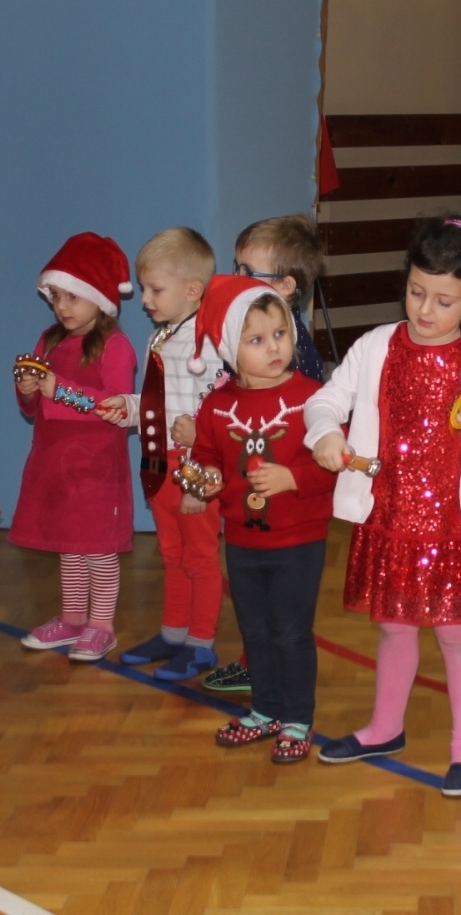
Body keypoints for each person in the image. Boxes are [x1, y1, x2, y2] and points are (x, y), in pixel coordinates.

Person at [305, 215, 461, 798]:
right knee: (394, 627)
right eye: (417, 293)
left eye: (444, 301)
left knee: (456, 633)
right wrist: (324, 431)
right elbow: (326, 400)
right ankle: (384, 727)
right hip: (390, 519)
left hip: (454, 526)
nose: (425, 310)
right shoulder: (375, 346)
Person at [187, 277, 337, 762]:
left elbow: (334, 462)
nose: (275, 347)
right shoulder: (217, 404)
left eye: (281, 333)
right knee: (254, 631)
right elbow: (207, 453)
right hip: (243, 542)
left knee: (291, 632)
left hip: (299, 540)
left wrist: (294, 478)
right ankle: (266, 709)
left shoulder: (314, 400)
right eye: (257, 340)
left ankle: (298, 718)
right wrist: (205, 478)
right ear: (232, 350)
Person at [203, 214, 328, 695]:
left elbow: (315, 444)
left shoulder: (299, 366)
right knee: (258, 613)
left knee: (285, 618)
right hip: (250, 524)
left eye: (246, 271)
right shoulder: (239, 352)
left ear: (285, 286)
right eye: (234, 267)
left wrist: (294, 476)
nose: (235, 278)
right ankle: (260, 672)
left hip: (294, 521)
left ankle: (278, 688)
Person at [97, 228, 227, 681]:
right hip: (158, 462)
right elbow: (161, 400)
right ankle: (173, 633)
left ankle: (201, 643)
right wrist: (129, 407)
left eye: (155, 289)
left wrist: (199, 475)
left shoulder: (205, 347)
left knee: (200, 557)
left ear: (193, 290)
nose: (146, 299)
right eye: (144, 288)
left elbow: (213, 415)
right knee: (172, 555)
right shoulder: (161, 337)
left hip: (189, 468)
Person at [12, 233, 139, 662]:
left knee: (98, 551)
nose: (62, 307)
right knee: (70, 546)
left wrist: (57, 389)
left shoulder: (116, 347)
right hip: (55, 464)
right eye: (56, 297)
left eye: (73, 297)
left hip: (97, 469)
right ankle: (71, 619)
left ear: (100, 299)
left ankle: (101, 625)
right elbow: (33, 410)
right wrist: (29, 389)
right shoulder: (48, 341)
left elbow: (112, 408)